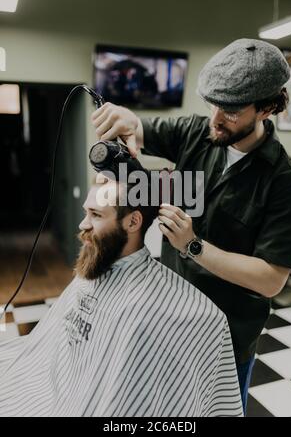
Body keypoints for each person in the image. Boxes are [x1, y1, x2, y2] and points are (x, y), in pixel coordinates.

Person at [91, 38, 291, 412]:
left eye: (231, 112)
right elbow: (139, 130)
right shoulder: (195, 132)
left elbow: (271, 278)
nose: (216, 119)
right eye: (213, 104)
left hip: (224, 339)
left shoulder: (285, 181)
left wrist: (193, 245)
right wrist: (126, 120)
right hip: (170, 321)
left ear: (267, 108)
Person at [0, 174, 242, 417]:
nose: (83, 224)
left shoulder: (149, 310)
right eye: (87, 212)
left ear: (133, 222)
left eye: (96, 215)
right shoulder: (94, 270)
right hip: (53, 385)